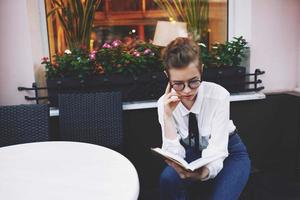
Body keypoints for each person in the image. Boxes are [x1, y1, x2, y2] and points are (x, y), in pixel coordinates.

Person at [157, 37, 251, 200]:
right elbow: (174, 155)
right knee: (167, 179)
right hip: (191, 153)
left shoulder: (219, 96)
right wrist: (167, 115)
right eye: (178, 84)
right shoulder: (164, 103)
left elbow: (217, 150)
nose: (187, 91)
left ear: (201, 69)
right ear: (167, 76)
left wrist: (203, 174)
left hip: (229, 152)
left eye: (193, 82)